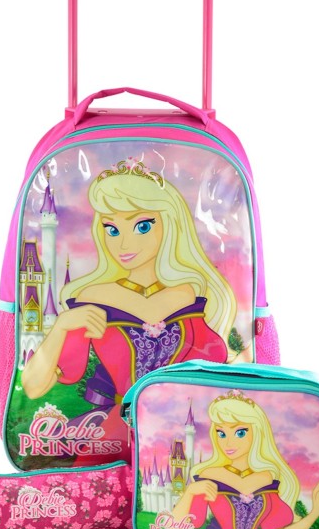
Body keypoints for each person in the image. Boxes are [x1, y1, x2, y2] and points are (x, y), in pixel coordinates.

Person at [22, 158, 249, 418]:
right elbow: (33, 388)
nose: (124, 244)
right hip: (116, 422)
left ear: (169, 225)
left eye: (142, 226)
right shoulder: (94, 297)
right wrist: (61, 327)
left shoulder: (187, 294)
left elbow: (219, 369)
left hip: (175, 425)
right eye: (112, 229)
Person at [171, 390, 319, 529]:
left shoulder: (267, 479)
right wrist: (190, 492)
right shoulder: (210, 475)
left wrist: (315, 512)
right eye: (221, 433)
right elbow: (176, 527)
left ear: (257, 432)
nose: (228, 442)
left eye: (240, 432)